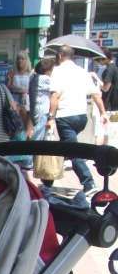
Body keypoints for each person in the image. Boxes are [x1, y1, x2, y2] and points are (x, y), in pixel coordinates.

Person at [46, 45, 109, 205]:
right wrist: (103, 113)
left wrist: (51, 117)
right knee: (63, 149)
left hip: (65, 117)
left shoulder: (58, 71)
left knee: (72, 151)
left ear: (60, 55)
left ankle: (89, 184)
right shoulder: (82, 71)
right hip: (81, 117)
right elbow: (96, 94)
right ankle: (48, 183)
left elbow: (55, 96)